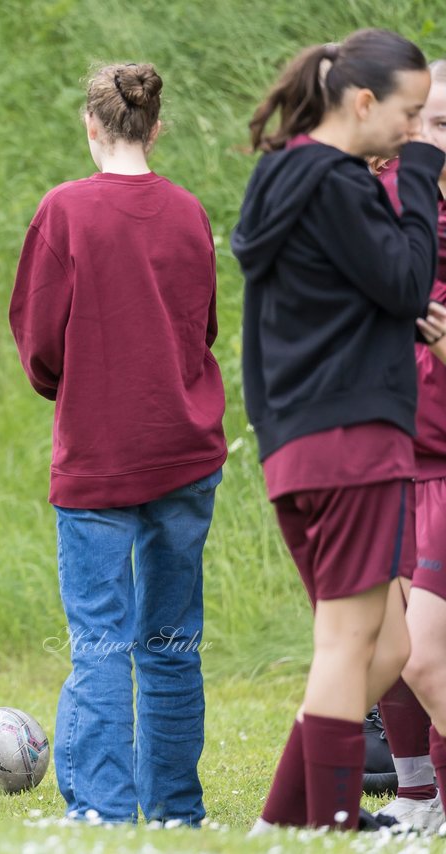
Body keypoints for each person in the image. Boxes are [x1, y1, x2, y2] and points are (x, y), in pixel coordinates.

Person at [230, 29, 444, 833]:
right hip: (351, 436)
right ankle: (328, 827)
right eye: (410, 115)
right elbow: (403, 280)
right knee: (349, 644)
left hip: (301, 440)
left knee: (385, 648)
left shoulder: (282, 175)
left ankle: (284, 824)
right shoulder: (337, 184)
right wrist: (421, 176)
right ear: (362, 103)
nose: (415, 131)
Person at [10, 62, 226, 826]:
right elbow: (202, 331)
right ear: (156, 126)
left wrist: (73, 389)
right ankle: (174, 809)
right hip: (187, 449)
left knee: (101, 642)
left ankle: (102, 811)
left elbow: (38, 342)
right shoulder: (190, 211)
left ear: (90, 124)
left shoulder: (63, 211)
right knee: (171, 639)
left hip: (99, 452)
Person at [363, 64, 446, 830]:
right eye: (427, 124)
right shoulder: (384, 207)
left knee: (425, 654)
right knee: (385, 650)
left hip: (443, 469)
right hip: (383, 461)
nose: (434, 142)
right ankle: (417, 802)